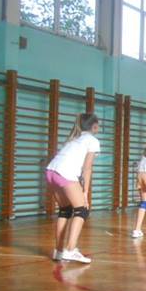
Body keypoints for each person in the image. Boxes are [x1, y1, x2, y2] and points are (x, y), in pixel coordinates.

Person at [44, 113, 101, 264]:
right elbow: (87, 168)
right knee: (82, 210)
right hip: (65, 173)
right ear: (94, 126)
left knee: (65, 210)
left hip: (51, 171)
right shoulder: (93, 141)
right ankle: (70, 250)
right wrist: (85, 192)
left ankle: (59, 251)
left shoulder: (75, 139)